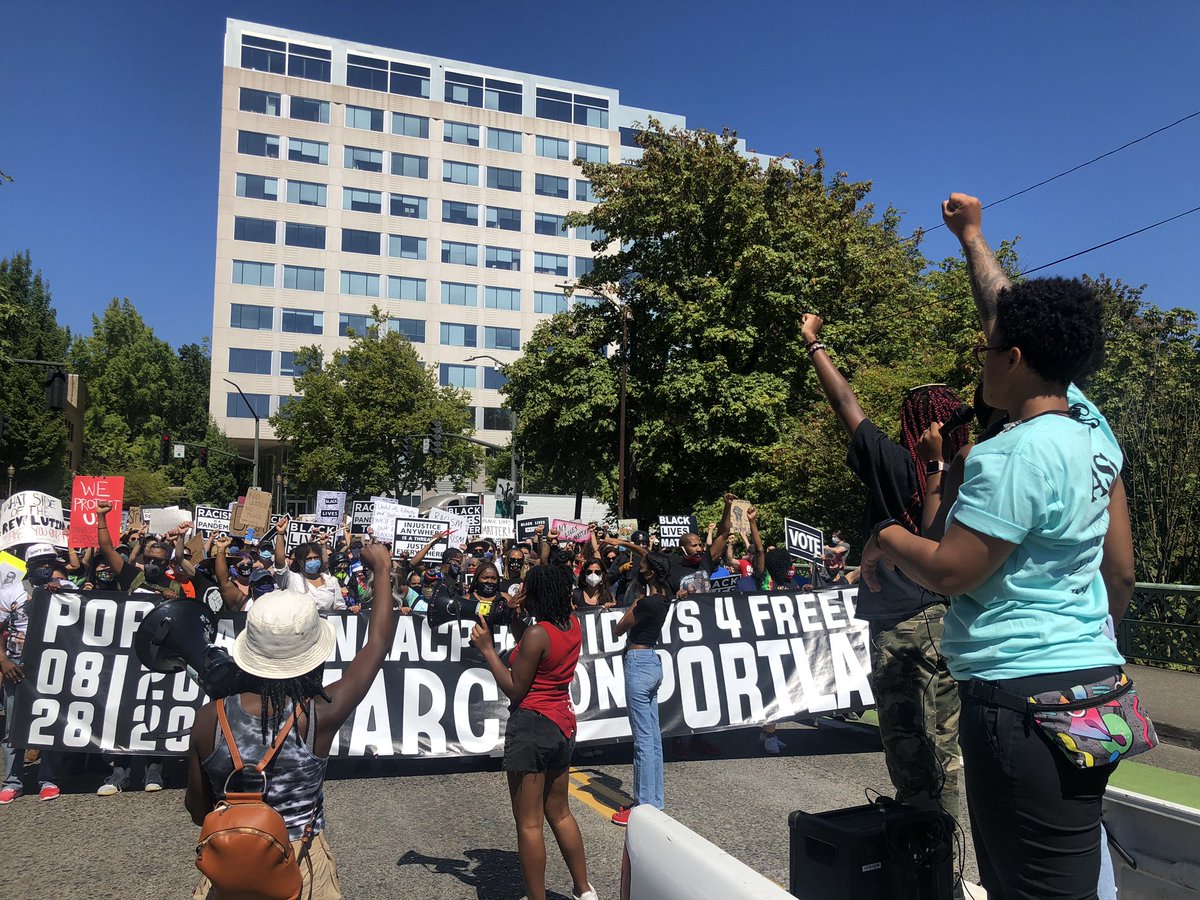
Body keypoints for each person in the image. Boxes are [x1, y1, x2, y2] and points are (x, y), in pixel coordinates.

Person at [861, 192, 1134, 900]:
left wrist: (885, 537)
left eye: (988, 350)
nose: (980, 358)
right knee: (1072, 863)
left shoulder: (1007, 455)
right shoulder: (1095, 436)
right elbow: (1122, 574)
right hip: (1095, 687)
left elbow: (952, 571)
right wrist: (974, 238)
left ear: (1014, 357)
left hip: (1018, 701)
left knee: (1028, 886)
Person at [801, 314, 969, 826]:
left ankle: (931, 860)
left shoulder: (892, 462)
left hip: (900, 624)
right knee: (947, 746)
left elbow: (845, 404)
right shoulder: (979, 468)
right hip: (953, 620)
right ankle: (950, 855)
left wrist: (815, 345)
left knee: (909, 748)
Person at [185, 542, 397, 900]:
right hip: (301, 862)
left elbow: (196, 808)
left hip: (227, 870)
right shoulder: (319, 714)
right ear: (313, 654)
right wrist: (382, 572)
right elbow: (376, 645)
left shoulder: (210, 718)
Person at [470, 565, 597, 900]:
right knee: (560, 811)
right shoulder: (570, 624)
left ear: (538, 595)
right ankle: (584, 890)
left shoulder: (537, 633)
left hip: (532, 728)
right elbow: (532, 643)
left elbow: (515, 688)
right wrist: (515, 615)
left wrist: (486, 649)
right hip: (561, 725)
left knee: (528, 824)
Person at [610, 551, 673, 826]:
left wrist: (634, 603)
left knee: (643, 740)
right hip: (653, 661)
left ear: (650, 573)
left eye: (642, 566)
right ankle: (654, 800)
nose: (638, 567)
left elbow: (619, 629)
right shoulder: (664, 597)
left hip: (638, 662)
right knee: (653, 738)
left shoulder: (647, 602)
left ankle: (643, 804)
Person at [0, 544, 65, 804]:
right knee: (13, 726)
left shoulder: (66, 590)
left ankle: (48, 779)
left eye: (50, 563)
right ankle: (12, 781)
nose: (46, 568)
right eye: (40, 564)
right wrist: (3, 661)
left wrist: (62, 595)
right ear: (28, 567)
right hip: (17, 666)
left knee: (48, 724)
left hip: (52, 667)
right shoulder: (10, 593)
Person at [272, 517, 343, 613]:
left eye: (316, 558)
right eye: (309, 559)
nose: (313, 561)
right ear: (300, 561)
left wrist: (352, 611)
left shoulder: (331, 581)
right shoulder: (292, 579)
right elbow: (280, 564)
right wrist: (280, 534)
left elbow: (340, 609)